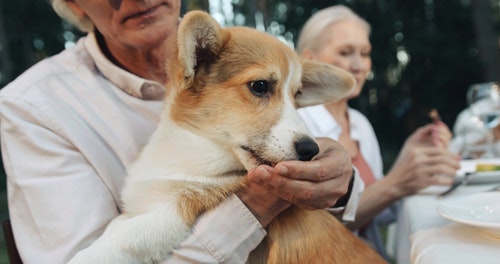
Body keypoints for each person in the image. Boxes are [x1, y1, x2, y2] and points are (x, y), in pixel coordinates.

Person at [0, 1, 363, 263]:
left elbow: (319, 192)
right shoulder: (34, 107)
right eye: (259, 88)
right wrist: (256, 204)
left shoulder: (253, 56)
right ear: (74, 6)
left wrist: (338, 183)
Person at [296, 5, 461, 259]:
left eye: (365, 53)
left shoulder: (360, 123)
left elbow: (381, 213)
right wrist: (397, 183)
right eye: (345, 52)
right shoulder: (297, 127)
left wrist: (412, 157)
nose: (358, 65)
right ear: (309, 60)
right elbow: (307, 227)